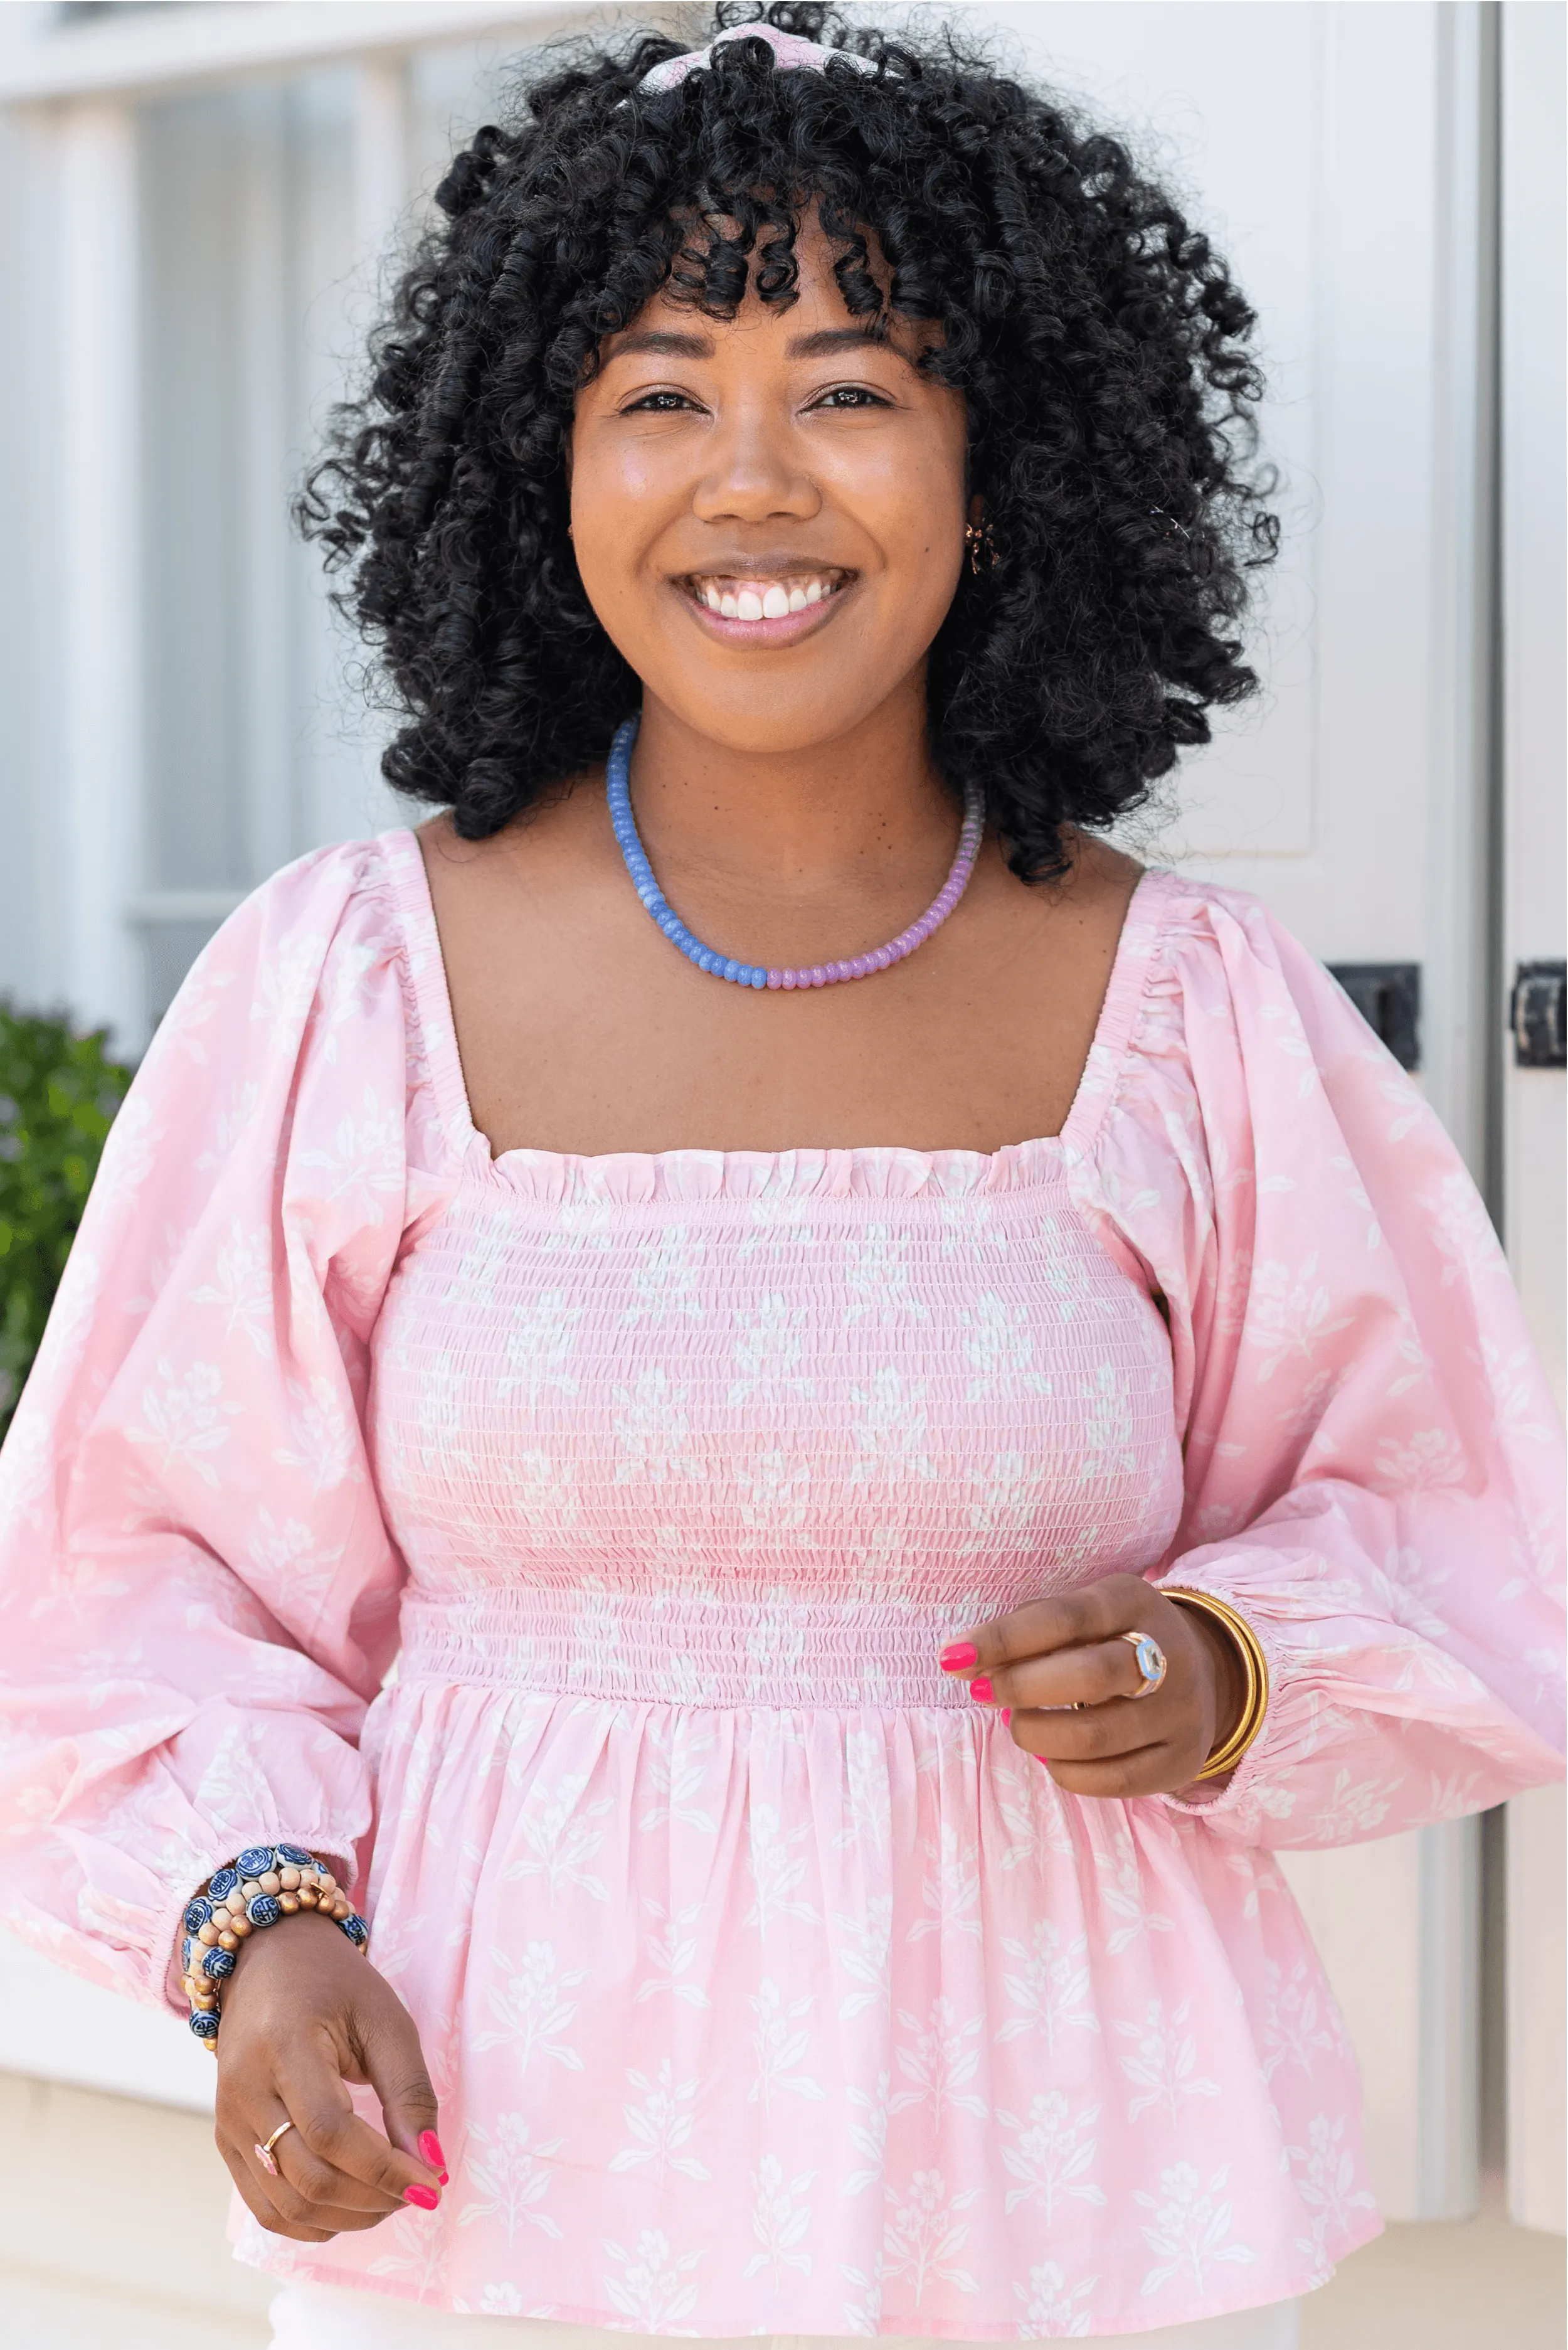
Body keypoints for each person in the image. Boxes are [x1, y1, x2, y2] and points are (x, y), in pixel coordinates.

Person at [0, 11, 1561, 2347]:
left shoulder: (1195, 1012)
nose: (751, 480)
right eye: (657, 391)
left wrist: (1221, 1661)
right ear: (539, 465)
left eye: (847, 388)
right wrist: (259, 1926)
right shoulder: (346, 984)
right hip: (497, 2147)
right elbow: (132, 1564)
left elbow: (1447, 1521)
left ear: (997, 467)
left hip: (1068, 2165)